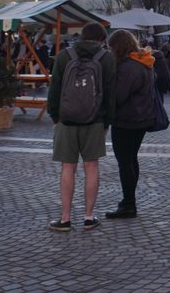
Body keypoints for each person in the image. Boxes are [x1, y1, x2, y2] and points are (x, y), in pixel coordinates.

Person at [47, 22, 116, 232]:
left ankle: (65, 218)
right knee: (91, 167)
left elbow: (54, 90)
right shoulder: (107, 58)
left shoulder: (64, 56)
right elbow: (110, 94)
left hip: (66, 120)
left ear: (82, 36)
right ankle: (88, 217)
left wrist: (55, 116)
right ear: (102, 39)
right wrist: (107, 121)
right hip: (94, 120)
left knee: (68, 167)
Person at [106, 30, 170, 220]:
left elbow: (118, 96)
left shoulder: (129, 67)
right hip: (141, 118)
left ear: (118, 47)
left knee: (125, 162)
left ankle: (128, 204)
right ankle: (128, 201)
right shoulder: (144, 61)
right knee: (131, 160)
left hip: (128, 120)